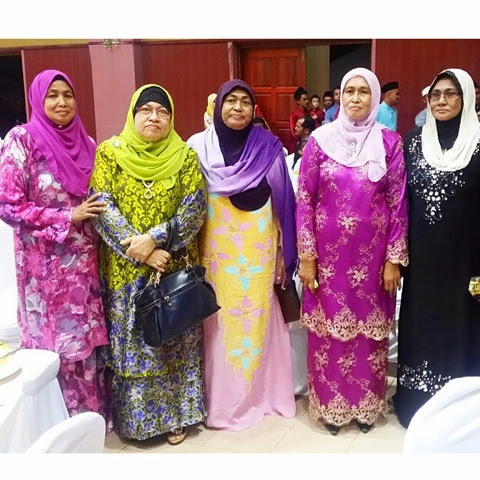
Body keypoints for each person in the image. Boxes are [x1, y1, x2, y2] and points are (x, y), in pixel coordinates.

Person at [89, 84, 207, 444]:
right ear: (133, 114)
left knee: (173, 339)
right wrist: (140, 250)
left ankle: (177, 417)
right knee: (136, 345)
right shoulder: (109, 153)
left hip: (172, 268)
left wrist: (155, 239)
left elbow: (194, 208)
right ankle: (137, 422)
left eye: (162, 111)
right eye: (146, 110)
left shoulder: (185, 156)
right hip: (126, 271)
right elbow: (102, 206)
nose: (154, 117)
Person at [296, 67, 408, 435]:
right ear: (340, 97)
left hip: (372, 262)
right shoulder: (319, 141)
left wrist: (393, 259)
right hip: (327, 262)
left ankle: (365, 408)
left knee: (368, 337)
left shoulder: (389, 143)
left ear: (374, 97)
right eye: (349, 91)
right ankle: (331, 409)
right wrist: (307, 257)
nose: (356, 98)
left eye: (363, 91)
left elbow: (398, 203)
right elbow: (305, 199)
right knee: (327, 334)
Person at [188, 79, 297, 431]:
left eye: (245, 102)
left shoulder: (268, 147)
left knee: (257, 317)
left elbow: (282, 203)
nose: (238, 107)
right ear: (218, 106)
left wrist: (282, 251)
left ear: (254, 109)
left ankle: (261, 395)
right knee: (219, 321)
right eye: (231, 101)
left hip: (257, 251)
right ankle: (223, 402)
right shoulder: (197, 148)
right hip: (216, 253)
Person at [0, 69, 109, 419]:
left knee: (86, 343)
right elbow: (8, 205)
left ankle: (90, 419)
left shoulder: (87, 143)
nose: (62, 102)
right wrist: (66, 217)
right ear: (38, 99)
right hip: (45, 272)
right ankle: (57, 424)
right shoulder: (21, 140)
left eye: (67, 95)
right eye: (52, 95)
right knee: (55, 347)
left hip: (85, 266)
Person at [393, 68, 480, 428]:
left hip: (466, 257)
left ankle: (459, 409)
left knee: (461, 326)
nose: (442, 101)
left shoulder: (479, 142)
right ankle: (416, 402)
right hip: (422, 258)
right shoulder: (414, 141)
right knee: (421, 323)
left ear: (466, 98)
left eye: (451, 94)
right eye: (435, 94)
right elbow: (399, 200)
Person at [288, 86, 309, 153]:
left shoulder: (308, 112)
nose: (307, 101)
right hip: (297, 145)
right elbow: (294, 133)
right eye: (304, 99)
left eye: (308, 99)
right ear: (298, 101)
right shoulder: (294, 115)